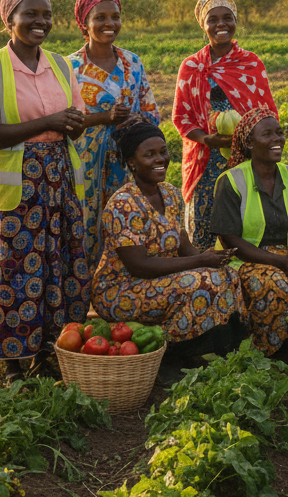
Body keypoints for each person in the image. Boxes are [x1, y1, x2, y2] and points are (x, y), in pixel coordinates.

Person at [0, 0, 89, 383]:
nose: (41, 22)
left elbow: (77, 115)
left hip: (57, 180)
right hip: (15, 187)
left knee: (58, 265)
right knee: (13, 270)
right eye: (30, 14)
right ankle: (14, 365)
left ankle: (50, 351)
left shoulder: (60, 64)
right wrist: (50, 123)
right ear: (10, 19)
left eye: (46, 15)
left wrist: (73, 124)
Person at [90, 122, 242, 382]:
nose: (160, 159)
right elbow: (139, 266)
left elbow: (183, 246)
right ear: (132, 162)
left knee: (227, 275)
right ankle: (166, 353)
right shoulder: (124, 204)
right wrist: (199, 262)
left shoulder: (170, 194)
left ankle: (199, 347)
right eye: (149, 155)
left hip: (158, 281)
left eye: (163, 151)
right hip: (120, 289)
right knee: (201, 282)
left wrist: (212, 259)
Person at [210, 108, 288, 355]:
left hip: (287, 254)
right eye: (268, 134)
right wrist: (279, 261)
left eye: (280, 133)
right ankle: (274, 350)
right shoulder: (231, 181)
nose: (278, 139)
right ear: (250, 143)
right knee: (274, 283)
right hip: (242, 258)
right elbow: (230, 240)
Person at [174, 0, 277, 251]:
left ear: (235, 21)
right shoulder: (191, 66)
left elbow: (268, 114)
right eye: (213, 19)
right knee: (205, 221)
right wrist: (206, 138)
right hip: (206, 158)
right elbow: (181, 117)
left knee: (245, 222)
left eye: (227, 17)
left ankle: (245, 274)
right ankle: (204, 278)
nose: (221, 24)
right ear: (204, 25)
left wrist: (247, 139)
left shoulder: (250, 63)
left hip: (245, 156)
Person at [68, 0, 160, 258]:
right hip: (85, 163)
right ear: (84, 23)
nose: (109, 24)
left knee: (128, 223)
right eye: (100, 17)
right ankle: (87, 289)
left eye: (115, 17)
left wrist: (134, 121)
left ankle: (124, 289)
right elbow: (64, 119)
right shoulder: (70, 67)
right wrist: (103, 118)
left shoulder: (132, 62)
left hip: (127, 162)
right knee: (86, 224)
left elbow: (150, 111)